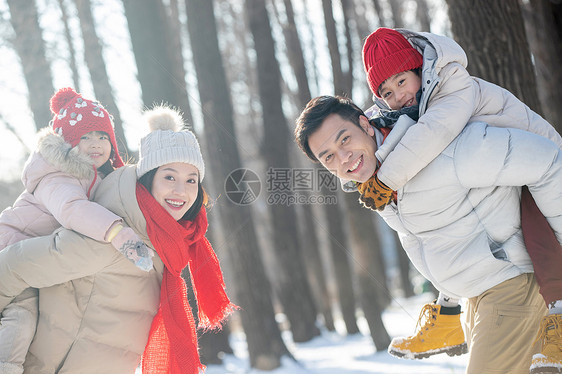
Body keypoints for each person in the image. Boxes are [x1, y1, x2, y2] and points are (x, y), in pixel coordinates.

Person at [294, 95, 562, 373]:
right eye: (329, 157)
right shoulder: (376, 184)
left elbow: (547, 158)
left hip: (510, 288)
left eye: (344, 140)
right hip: (475, 298)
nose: (343, 158)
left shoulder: (437, 148)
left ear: (365, 125)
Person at [355, 27, 562, 372]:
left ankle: (558, 314)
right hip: (501, 172)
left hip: (534, 174)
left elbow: (433, 134)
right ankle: (448, 312)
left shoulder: (453, 88)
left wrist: (386, 179)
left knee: (544, 242)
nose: (398, 96)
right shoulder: (415, 109)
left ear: (421, 69)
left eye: (402, 81)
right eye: (386, 92)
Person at [0, 105, 235, 373]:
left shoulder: (166, 243)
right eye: (169, 176)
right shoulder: (112, 236)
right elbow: (11, 266)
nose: (181, 190)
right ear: (147, 179)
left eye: (191, 180)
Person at [0, 87, 154, 374]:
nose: (95, 143)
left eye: (102, 136)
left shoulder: (95, 177)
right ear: (67, 143)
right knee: (22, 318)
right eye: (85, 137)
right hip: (11, 247)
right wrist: (117, 233)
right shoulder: (57, 175)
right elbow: (72, 209)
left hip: (35, 260)